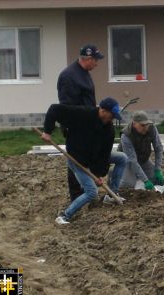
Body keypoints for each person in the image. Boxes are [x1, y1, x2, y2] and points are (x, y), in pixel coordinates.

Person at [41, 98, 126, 225]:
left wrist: (99, 174)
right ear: (102, 110)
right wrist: (47, 131)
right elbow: (54, 109)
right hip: (77, 160)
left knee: (122, 158)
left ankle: (111, 195)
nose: (112, 119)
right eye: (111, 115)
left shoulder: (108, 130)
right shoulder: (82, 114)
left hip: (93, 159)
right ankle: (64, 216)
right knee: (92, 192)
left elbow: (104, 154)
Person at [57, 44, 103, 202]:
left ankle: (87, 191)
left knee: (86, 158)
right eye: (96, 60)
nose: (97, 64)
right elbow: (67, 107)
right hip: (76, 127)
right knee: (76, 161)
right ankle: (77, 196)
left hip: (87, 125)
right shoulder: (69, 76)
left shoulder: (84, 73)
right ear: (89, 59)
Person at [118, 111, 164, 190]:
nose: (145, 128)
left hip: (144, 160)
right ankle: (114, 173)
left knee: (157, 180)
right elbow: (132, 160)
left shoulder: (151, 128)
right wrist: (145, 180)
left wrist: (158, 169)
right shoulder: (126, 135)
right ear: (134, 124)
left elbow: (158, 148)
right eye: (142, 125)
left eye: (146, 124)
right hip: (127, 162)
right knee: (127, 185)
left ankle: (139, 176)